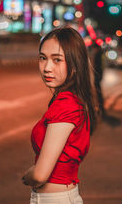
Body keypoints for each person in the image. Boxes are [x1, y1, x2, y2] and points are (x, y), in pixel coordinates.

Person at [22, 26, 101, 204]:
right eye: (43, 58)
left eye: (57, 60)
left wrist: (28, 176)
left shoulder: (67, 105)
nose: (47, 67)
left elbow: (40, 175)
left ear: (74, 63)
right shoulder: (73, 100)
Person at [89, 41, 106, 119]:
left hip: (97, 74)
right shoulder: (100, 53)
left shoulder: (98, 54)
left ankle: (100, 107)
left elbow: (95, 65)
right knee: (98, 91)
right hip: (99, 74)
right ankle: (100, 107)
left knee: (98, 91)